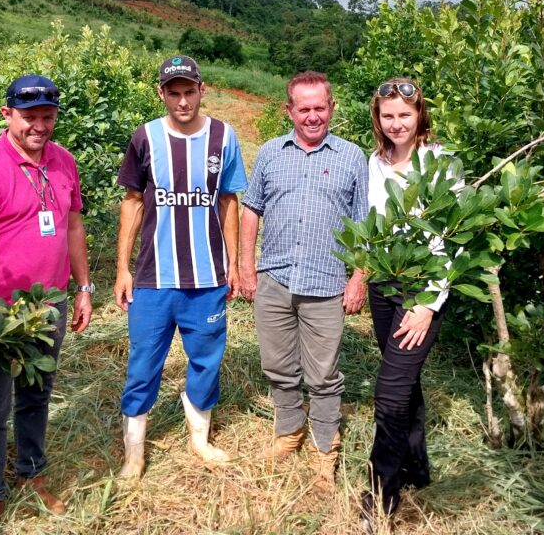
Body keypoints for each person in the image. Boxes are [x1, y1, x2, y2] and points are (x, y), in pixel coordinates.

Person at [0, 74, 93, 525]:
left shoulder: (64, 162)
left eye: (47, 117)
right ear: (7, 114)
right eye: (29, 117)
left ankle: (31, 474)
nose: (39, 126)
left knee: (37, 396)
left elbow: (72, 227)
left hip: (48, 305)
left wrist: (83, 287)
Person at [114, 55, 247, 479]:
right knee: (142, 365)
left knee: (206, 360)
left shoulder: (224, 138)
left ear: (202, 89)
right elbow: (133, 202)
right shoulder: (145, 138)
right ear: (162, 93)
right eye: (174, 92)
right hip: (153, 279)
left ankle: (200, 439)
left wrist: (234, 263)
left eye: (190, 91)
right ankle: (134, 454)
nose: (183, 100)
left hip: (207, 277)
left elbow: (228, 201)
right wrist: (122, 267)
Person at [239, 70, 368, 492]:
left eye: (320, 108)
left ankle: (324, 445)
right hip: (274, 276)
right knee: (278, 366)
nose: (312, 116)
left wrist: (358, 278)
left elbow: (365, 224)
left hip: (326, 282)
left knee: (324, 373)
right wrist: (246, 266)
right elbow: (252, 210)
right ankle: (289, 431)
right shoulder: (271, 154)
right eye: (304, 109)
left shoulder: (352, 157)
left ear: (331, 108)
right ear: (289, 110)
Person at [360, 77, 460, 529]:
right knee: (406, 381)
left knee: (390, 392)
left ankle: (382, 491)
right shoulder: (374, 162)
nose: (397, 123)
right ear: (377, 120)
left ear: (420, 115)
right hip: (385, 282)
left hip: (422, 288)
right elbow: (368, 223)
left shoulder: (441, 164)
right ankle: (417, 466)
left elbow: (455, 239)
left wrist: (428, 304)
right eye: (388, 116)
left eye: (405, 114)